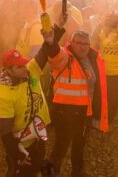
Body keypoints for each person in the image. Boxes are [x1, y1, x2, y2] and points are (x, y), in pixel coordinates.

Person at [0, 19, 65, 177]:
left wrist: (57, 29)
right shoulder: (3, 95)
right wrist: (18, 155)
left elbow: (45, 51)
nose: (25, 68)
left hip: (38, 135)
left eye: (23, 63)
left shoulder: (31, 69)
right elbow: (5, 132)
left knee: (36, 167)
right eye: (19, 67)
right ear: (8, 71)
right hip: (22, 144)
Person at [46, 29, 109, 176]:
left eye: (86, 44)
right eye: (79, 43)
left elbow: (98, 86)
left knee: (79, 146)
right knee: (61, 146)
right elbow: (54, 54)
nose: (83, 47)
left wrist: (97, 111)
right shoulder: (64, 56)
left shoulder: (92, 58)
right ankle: (51, 173)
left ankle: (77, 172)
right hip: (64, 111)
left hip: (84, 111)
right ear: (71, 43)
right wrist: (50, 42)